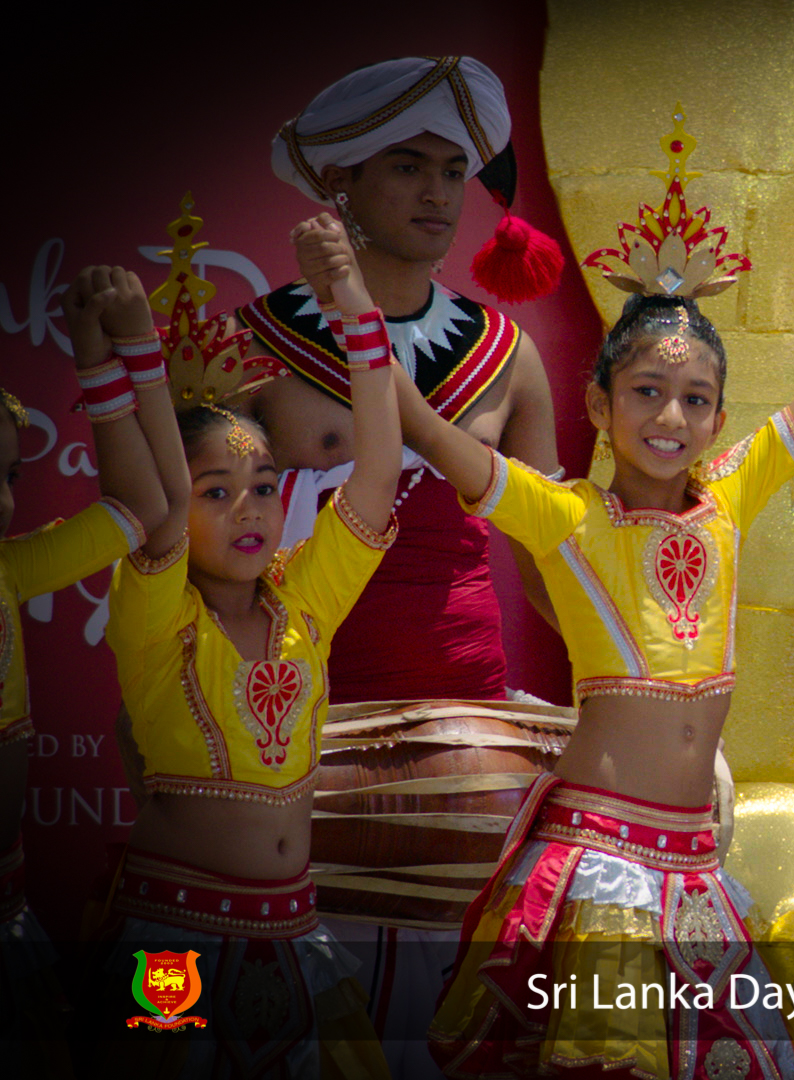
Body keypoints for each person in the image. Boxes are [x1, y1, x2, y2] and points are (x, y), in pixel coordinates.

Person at [423, 116, 794, 1079]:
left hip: (693, 867)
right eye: (646, 392)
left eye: (694, 399)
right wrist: (361, 325)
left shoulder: (732, 494)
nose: (670, 416)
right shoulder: (566, 516)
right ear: (598, 406)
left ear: (720, 418)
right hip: (603, 860)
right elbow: (441, 443)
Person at [90, 216, 400, 1077]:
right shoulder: (157, 617)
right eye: (216, 493)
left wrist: (355, 308)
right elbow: (150, 505)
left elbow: (377, 474)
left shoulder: (305, 602)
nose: (250, 509)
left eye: (263, 487)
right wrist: (129, 356)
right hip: (176, 939)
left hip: (294, 933)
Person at [241, 55, 561, 706]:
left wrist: (644, 674)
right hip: (298, 720)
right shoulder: (251, 347)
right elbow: (191, 558)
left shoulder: (507, 354)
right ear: (341, 182)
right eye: (409, 168)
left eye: (452, 172)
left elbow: (551, 562)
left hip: (472, 721)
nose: (437, 193)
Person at [0, 267, 173, 1077]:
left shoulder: (10, 572)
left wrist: (96, 352)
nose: (4, 503)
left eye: (9, 477)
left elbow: (147, 508)